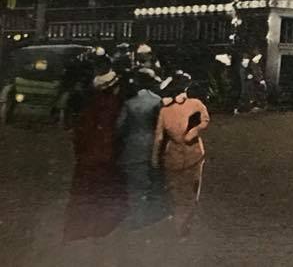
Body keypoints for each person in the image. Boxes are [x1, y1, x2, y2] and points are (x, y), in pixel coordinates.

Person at [63, 67, 128, 241]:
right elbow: (120, 132)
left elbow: (78, 134)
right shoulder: (116, 105)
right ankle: (101, 227)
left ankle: (79, 228)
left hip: (87, 158)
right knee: (105, 192)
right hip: (107, 155)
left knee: (85, 192)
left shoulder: (89, 105)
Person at [152, 71, 210, 238]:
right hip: (194, 152)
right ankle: (185, 222)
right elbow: (205, 120)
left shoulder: (165, 110)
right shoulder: (196, 104)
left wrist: (154, 157)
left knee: (175, 189)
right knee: (191, 189)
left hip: (173, 154)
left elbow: (159, 137)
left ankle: (178, 219)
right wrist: (194, 131)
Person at [116, 68, 167, 229]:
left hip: (133, 145)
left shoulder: (129, 103)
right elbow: (161, 126)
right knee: (154, 180)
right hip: (153, 144)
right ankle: (152, 215)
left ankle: (137, 216)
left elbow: (119, 127)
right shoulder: (157, 100)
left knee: (135, 185)